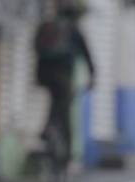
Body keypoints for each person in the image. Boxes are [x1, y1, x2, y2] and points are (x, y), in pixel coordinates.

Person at [34, 0, 95, 163]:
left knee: (55, 102)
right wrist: (92, 76)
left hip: (44, 75)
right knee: (65, 111)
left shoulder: (47, 25)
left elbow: (36, 49)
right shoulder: (73, 29)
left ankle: (48, 128)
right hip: (63, 76)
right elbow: (87, 55)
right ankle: (66, 156)